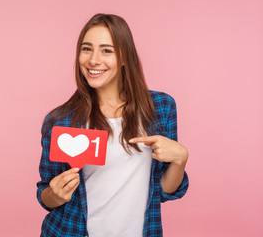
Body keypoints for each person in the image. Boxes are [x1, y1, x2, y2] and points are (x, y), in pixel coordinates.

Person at [36, 13, 189, 237]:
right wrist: (56, 194)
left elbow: (164, 190)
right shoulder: (61, 120)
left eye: (106, 50)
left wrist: (180, 159)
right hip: (70, 231)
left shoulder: (160, 108)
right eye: (86, 49)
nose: (93, 60)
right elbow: (46, 195)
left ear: (125, 56)